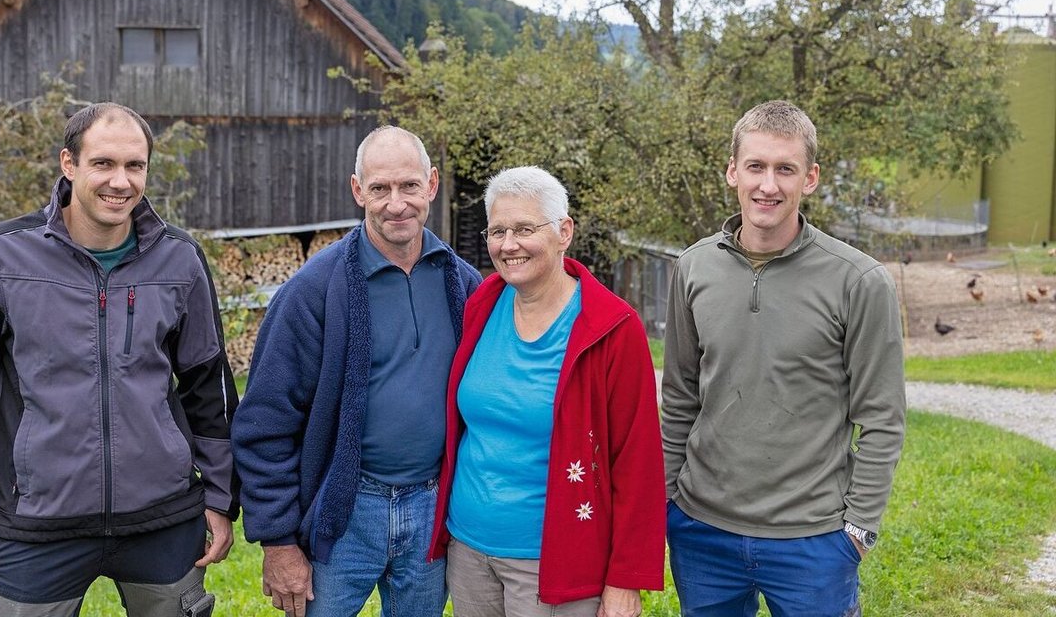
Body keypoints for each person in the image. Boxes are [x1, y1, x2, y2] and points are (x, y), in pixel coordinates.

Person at [0, 103, 239, 616]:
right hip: (40, 523)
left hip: (162, 520)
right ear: (68, 165)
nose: (121, 181)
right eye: (103, 163)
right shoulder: (2, 254)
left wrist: (221, 499)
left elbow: (211, 388)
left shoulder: (179, 259)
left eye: (135, 166)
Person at [661, 100, 906, 617]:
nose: (767, 185)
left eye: (785, 169)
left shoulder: (859, 281)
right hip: (702, 530)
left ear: (810, 178)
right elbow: (680, 395)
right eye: (755, 166)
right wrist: (668, 501)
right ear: (733, 171)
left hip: (813, 540)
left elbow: (882, 419)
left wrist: (857, 529)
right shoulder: (693, 267)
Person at [231, 125, 481, 617]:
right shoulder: (313, 291)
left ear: (432, 184)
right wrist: (278, 542)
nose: (396, 204)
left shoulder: (465, 285)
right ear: (357, 190)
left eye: (409, 186)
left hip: (433, 509)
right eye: (380, 188)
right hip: (345, 508)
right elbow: (264, 424)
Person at [428, 166, 665, 617]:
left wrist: (625, 580)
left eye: (524, 229)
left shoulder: (611, 328)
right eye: (497, 231)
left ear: (563, 232)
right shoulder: (482, 304)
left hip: (553, 561)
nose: (508, 245)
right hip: (469, 551)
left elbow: (639, 462)